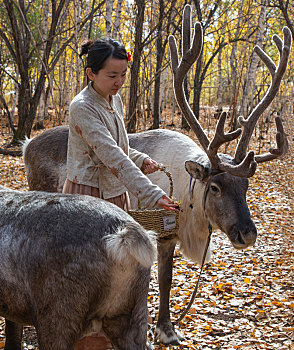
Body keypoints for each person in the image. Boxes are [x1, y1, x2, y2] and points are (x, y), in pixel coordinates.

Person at [62, 38, 178, 350]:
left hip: (116, 196)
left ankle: (113, 333)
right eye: (112, 75)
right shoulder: (82, 107)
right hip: (88, 196)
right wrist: (153, 195)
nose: (119, 82)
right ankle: (87, 339)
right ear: (91, 73)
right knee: (89, 274)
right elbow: (110, 155)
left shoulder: (115, 100)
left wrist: (142, 160)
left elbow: (121, 147)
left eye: (123, 74)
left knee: (119, 270)